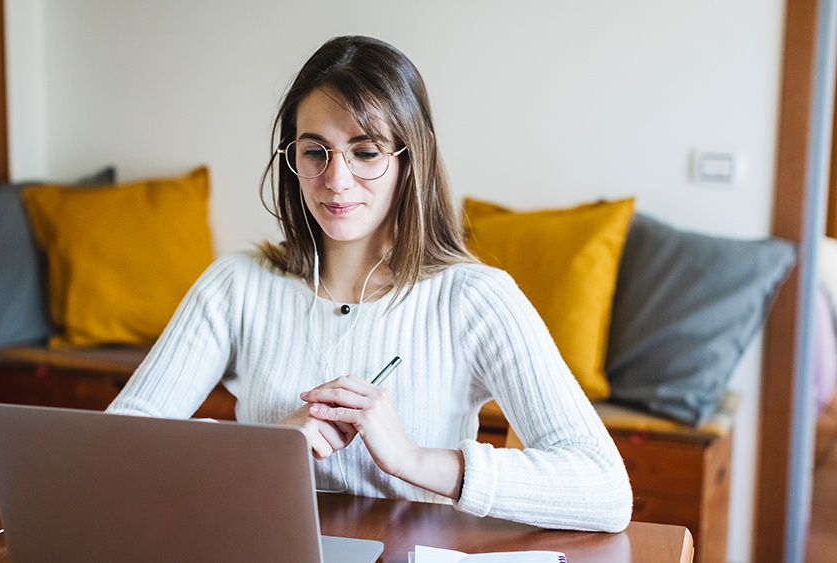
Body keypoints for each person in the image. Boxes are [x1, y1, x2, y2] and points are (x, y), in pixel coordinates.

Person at [107, 35, 632, 532]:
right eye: (315, 152)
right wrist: (266, 450)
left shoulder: (477, 299)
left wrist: (413, 459)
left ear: (411, 159)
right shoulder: (235, 286)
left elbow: (605, 491)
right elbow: (113, 452)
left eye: (366, 151)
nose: (335, 181)